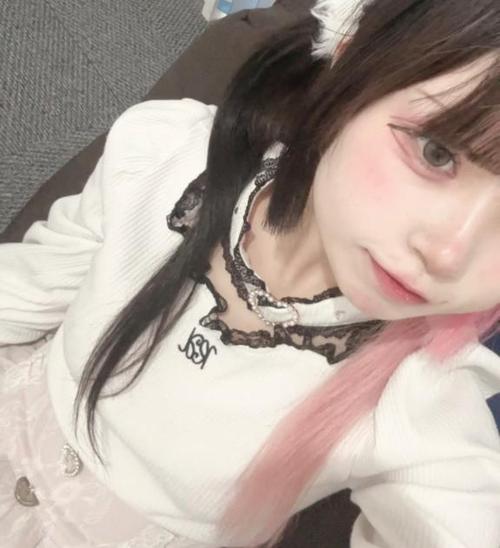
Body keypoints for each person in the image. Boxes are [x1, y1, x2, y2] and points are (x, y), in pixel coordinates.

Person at [1, 0, 500, 546]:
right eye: (436, 152)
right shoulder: (167, 156)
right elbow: (29, 287)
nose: (449, 254)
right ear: (350, 65)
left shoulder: (426, 394)